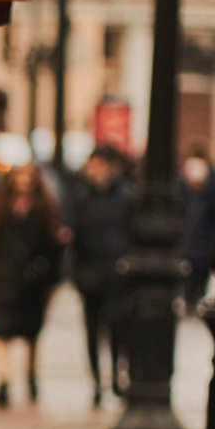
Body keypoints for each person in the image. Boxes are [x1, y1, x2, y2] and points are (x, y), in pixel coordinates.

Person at [0, 163, 64, 406]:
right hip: (4, 279)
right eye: (19, 177)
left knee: (31, 333)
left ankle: (31, 375)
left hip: (33, 282)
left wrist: (50, 280)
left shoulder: (44, 211)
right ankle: (3, 380)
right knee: (2, 332)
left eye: (28, 178)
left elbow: (53, 249)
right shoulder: (0, 209)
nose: (23, 182)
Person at [67, 145, 131, 406]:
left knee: (116, 329)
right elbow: (73, 238)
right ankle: (96, 382)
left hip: (116, 275)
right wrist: (77, 273)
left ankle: (117, 376)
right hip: (90, 274)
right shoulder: (81, 197)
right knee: (92, 332)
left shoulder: (126, 196)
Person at [180, 144, 215, 309]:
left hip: (205, 238)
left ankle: (195, 298)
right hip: (191, 237)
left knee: (200, 272)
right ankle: (190, 299)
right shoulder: (184, 190)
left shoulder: (214, 184)